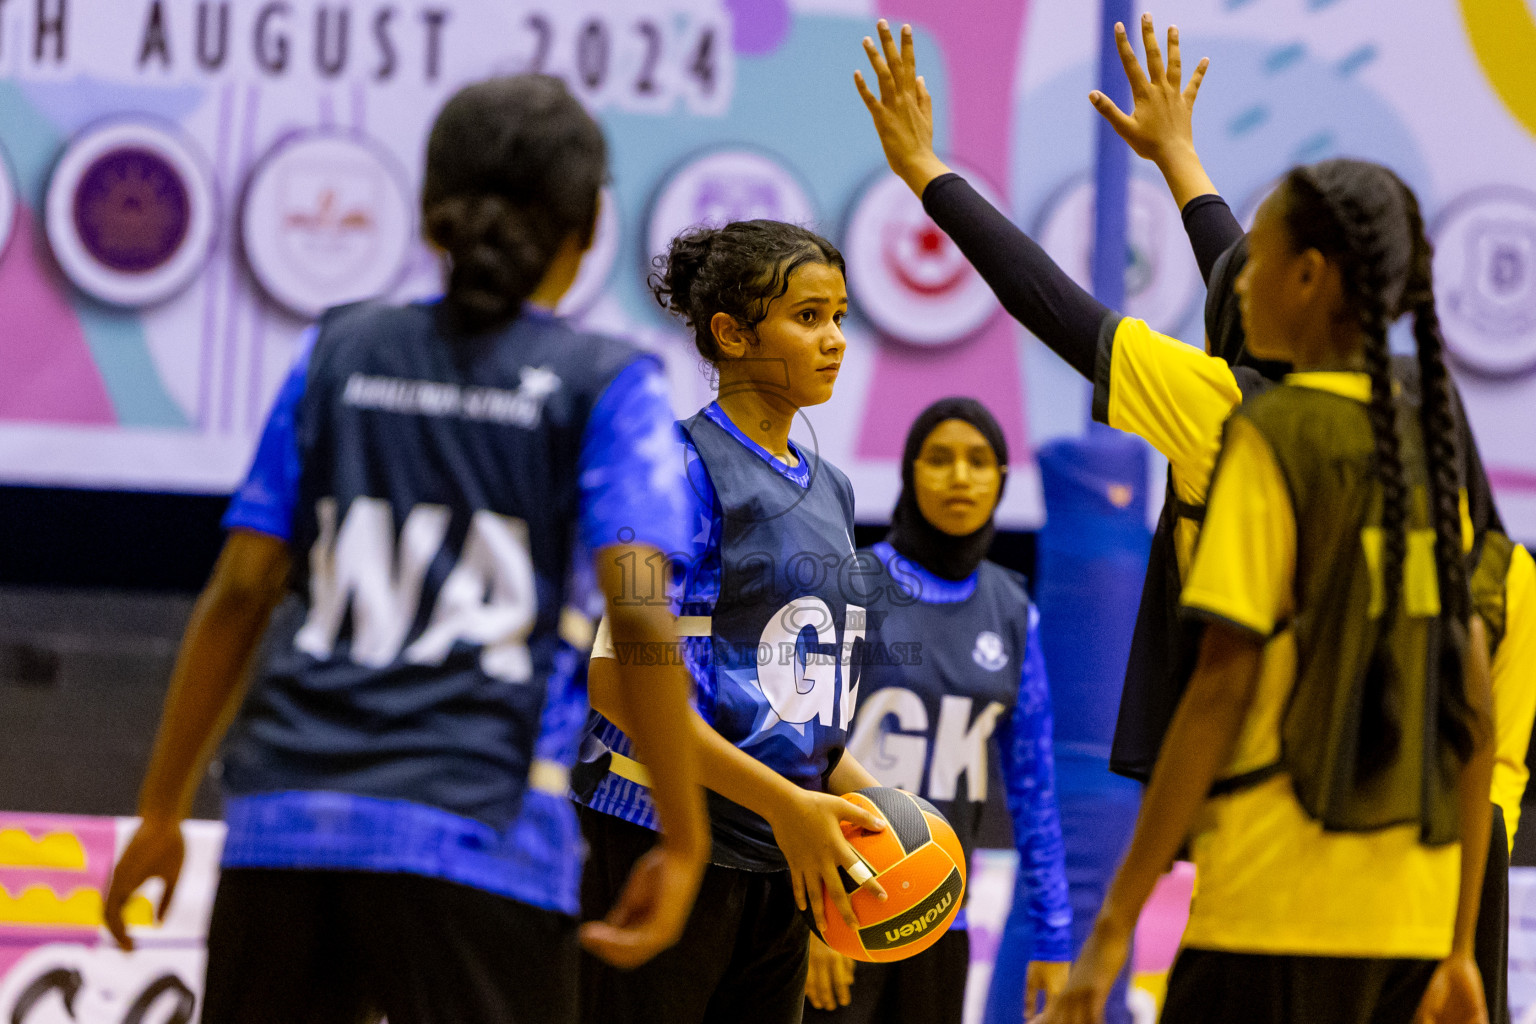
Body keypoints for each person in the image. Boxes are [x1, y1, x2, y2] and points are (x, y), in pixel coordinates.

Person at [101, 75, 708, 1024]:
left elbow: (242, 588)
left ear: (430, 215)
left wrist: (163, 808)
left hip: (288, 825)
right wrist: (684, 835)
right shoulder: (609, 385)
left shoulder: (337, 352)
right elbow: (637, 606)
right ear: (590, 225)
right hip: (483, 834)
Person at [575, 220, 890, 1024]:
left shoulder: (836, 491)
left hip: (779, 853)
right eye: (810, 316)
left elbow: (792, 707)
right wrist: (790, 807)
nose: (836, 340)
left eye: (841, 316)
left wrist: (871, 802)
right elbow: (615, 683)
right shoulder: (671, 469)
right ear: (731, 334)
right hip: (655, 835)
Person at [802, 398, 1072, 1024]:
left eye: (979, 462)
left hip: (938, 914)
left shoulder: (1013, 608)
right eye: (940, 459)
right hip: (843, 906)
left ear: (1003, 479)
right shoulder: (850, 583)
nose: (959, 476)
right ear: (907, 472)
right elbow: (799, 752)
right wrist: (815, 914)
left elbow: (1033, 787)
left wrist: (1055, 935)